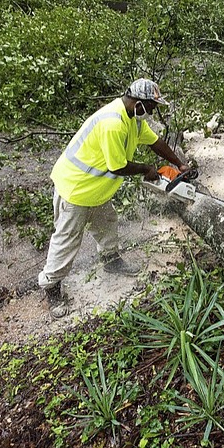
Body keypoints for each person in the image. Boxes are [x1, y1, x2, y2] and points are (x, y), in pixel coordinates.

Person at [38, 78, 190, 318]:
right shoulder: (113, 123)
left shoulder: (132, 119)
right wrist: (146, 170)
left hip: (96, 189)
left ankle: (111, 260)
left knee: (107, 222)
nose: (152, 112)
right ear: (139, 103)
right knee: (67, 238)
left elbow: (155, 142)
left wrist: (178, 163)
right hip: (76, 189)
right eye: (151, 107)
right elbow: (117, 166)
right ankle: (51, 288)